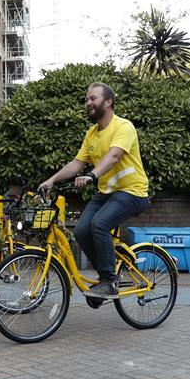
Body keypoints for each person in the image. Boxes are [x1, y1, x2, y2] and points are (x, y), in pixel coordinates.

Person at [38, 82, 149, 299]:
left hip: (132, 192)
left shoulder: (123, 127)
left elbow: (114, 156)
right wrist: (50, 181)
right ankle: (104, 279)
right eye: (87, 99)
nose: (88, 103)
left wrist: (91, 176)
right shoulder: (91, 134)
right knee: (81, 230)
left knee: (99, 224)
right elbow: (77, 163)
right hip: (107, 193)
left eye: (93, 98)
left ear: (108, 102)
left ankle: (109, 281)